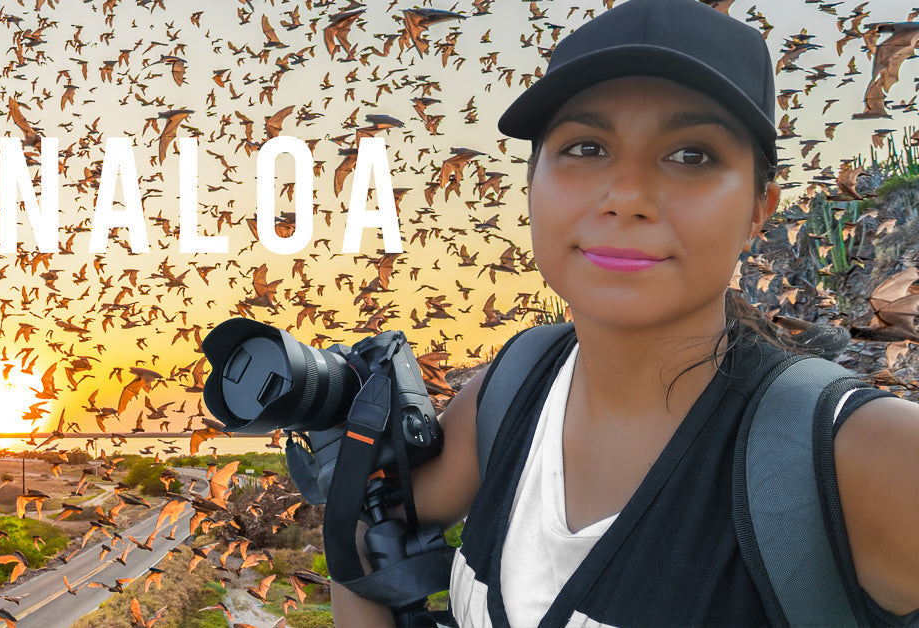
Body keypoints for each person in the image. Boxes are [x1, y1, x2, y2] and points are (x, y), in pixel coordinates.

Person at [330, 0, 919, 625]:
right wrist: (343, 472)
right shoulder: (510, 391)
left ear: (759, 208)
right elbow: (362, 535)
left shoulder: (864, 459)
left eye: (692, 155)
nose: (628, 197)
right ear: (531, 183)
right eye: (585, 147)